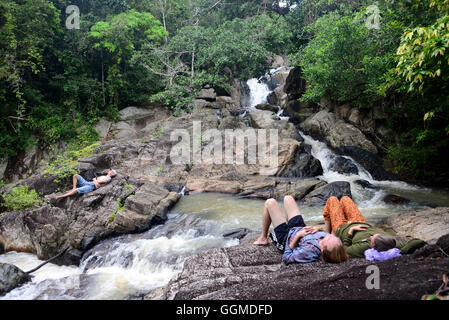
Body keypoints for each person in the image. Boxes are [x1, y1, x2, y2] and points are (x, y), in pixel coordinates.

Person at [253, 195, 348, 264]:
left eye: (326, 239)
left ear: (322, 249)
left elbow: (286, 258)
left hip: (285, 238)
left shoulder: (309, 251)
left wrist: (298, 236)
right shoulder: (336, 243)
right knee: (288, 198)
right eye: (330, 236)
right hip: (300, 227)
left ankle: (263, 238)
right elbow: (328, 235)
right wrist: (317, 228)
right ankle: (288, 224)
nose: (328, 236)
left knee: (270, 202)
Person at [322, 196, 425, 258]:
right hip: (360, 222)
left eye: (371, 239)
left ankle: (327, 234)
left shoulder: (363, 247)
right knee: (345, 199)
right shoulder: (392, 242)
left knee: (333, 200)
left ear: (372, 245)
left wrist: (350, 231)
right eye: (375, 235)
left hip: (343, 228)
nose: (371, 236)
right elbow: (417, 242)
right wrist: (402, 251)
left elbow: (345, 249)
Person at [53, 169, 117, 200]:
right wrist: (96, 180)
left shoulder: (108, 178)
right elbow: (96, 179)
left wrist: (96, 180)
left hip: (92, 186)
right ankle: (73, 187)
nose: (109, 170)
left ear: (112, 173)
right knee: (76, 175)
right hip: (89, 183)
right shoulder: (104, 175)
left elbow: (99, 181)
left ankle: (59, 197)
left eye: (110, 171)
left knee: (77, 190)